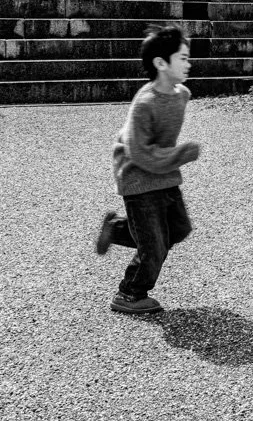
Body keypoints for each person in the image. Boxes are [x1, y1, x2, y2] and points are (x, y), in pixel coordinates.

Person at [94, 25, 202, 314]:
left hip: (163, 174)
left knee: (178, 229)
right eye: (182, 58)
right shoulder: (145, 102)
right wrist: (179, 154)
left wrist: (172, 158)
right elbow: (139, 151)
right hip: (137, 176)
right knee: (155, 246)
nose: (188, 63)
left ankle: (116, 229)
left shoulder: (181, 94)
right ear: (160, 63)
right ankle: (129, 293)